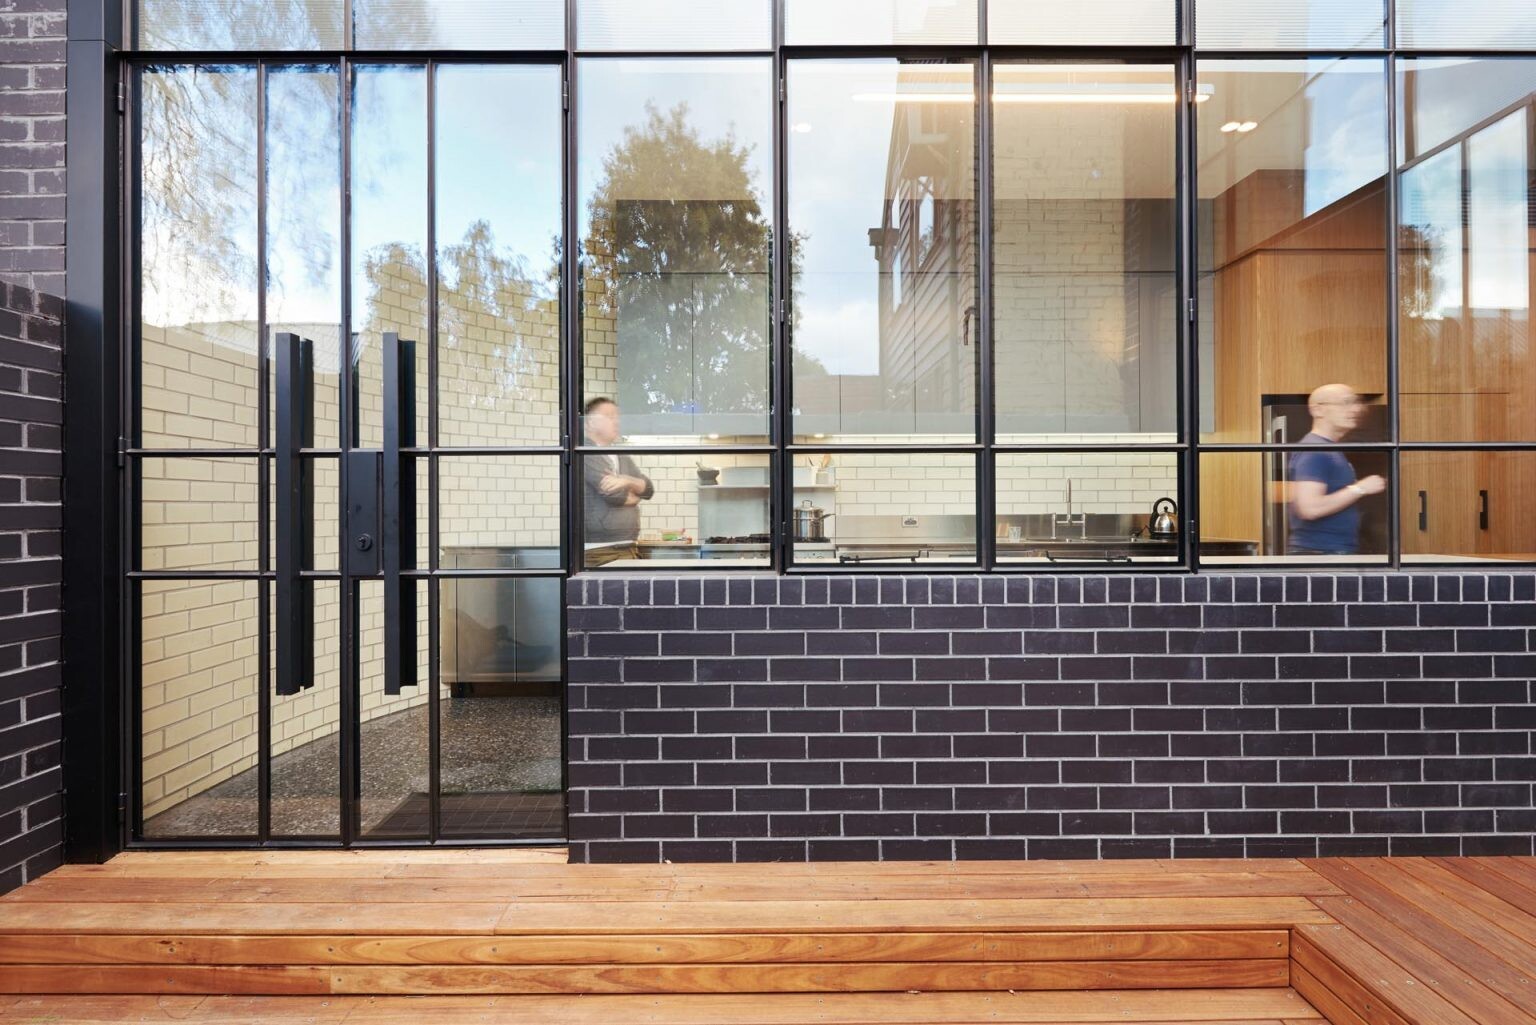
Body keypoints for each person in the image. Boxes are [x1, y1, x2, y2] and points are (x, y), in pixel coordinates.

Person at [1287, 383, 1385, 555]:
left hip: (1327, 552)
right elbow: (1310, 508)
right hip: (1320, 554)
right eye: (1346, 403)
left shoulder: (1328, 449)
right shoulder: (1315, 450)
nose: (1355, 409)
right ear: (1318, 410)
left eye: (1356, 403)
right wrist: (1360, 488)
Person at [582, 397, 654, 546]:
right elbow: (615, 496)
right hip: (600, 547)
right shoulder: (585, 452)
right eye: (609, 417)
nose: (616, 422)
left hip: (627, 543)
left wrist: (626, 481)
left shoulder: (620, 454)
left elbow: (648, 490)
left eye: (617, 417)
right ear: (591, 422)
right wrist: (636, 491)